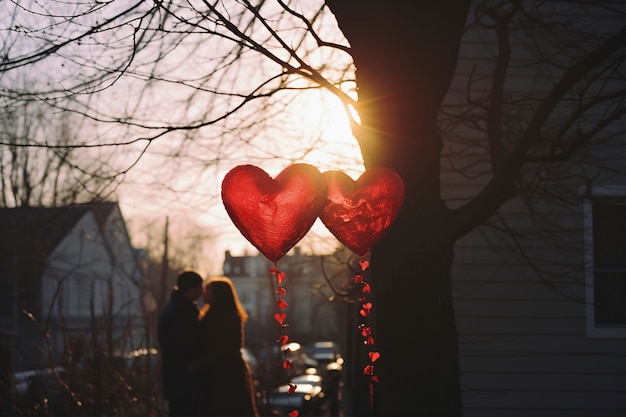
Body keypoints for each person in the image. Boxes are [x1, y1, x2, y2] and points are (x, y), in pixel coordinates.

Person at [188, 277, 259, 417]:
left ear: (217, 295)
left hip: (226, 378)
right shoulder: (218, 315)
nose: (203, 294)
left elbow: (224, 350)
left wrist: (197, 365)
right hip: (225, 375)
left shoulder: (225, 317)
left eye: (208, 291)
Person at [157, 270, 205, 417]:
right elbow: (189, 345)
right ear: (191, 289)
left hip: (176, 381)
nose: (202, 292)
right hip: (185, 382)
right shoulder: (183, 312)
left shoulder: (173, 307)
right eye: (200, 288)